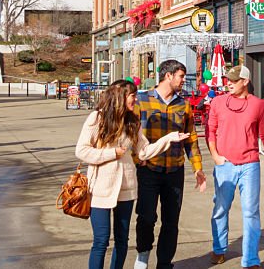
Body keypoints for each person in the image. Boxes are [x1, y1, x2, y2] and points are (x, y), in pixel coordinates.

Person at [76, 80, 188, 269]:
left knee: (122, 241)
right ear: (120, 97)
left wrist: (169, 138)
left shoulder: (132, 122)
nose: (135, 100)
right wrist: (113, 153)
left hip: (126, 189)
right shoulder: (97, 118)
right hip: (101, 188)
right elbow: (82, 151)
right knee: (101, 241)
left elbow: (143, 151)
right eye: (132, 96)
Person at [133, 60, 206, 269]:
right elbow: (130, 135)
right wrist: (137, 159)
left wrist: (198, 168)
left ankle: (164, 263)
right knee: (146, 216)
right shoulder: (141, 100)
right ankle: (143, 255)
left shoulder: (183, 105)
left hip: (175, 170)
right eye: (181, 76)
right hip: (148, 169)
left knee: (171, 221)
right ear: (168, 76)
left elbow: (191, 138)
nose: (184, 80)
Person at [206, 65, 264, 269]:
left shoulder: (258, 105)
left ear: (245, 81)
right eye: (227, 79)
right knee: (221, 209)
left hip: (250, 165)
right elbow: (211, 130)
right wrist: (215, 156)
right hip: (224, 164)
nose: (229, 83)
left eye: (234, 80)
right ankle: (219, 249)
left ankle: (251, 260)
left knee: (251, 212)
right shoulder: (218, 102)